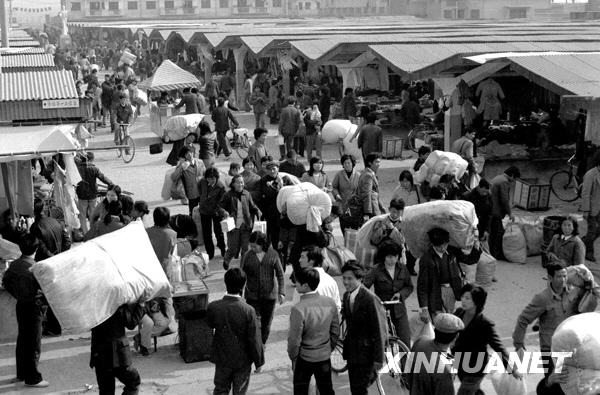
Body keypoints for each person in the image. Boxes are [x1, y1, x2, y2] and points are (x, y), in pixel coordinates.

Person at [513, 263, 578, 381]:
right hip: (550, 350)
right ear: (550, 278)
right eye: (559, 277)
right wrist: (519, 345)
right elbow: (523, 319)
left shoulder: (573, 292)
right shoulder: (542, 298)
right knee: (553, 385)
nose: (563, 280)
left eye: (565, 276)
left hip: (570, 347)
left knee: (571, 383)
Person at [453, 284, 520, 394]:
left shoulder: (485, 323)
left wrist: (512, 369)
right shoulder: (459, 313)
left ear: (477, 301)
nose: (463, 301)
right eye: (463, 297)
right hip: (460, 362)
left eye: (467, 298)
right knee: (471, 390)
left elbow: (498, 347)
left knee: (465, 391)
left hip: (476, 366)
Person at [207, 268, 264, 394]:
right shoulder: (248, 310)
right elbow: (254, 338)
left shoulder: (213, 307)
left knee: (220, 389)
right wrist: (259, 361)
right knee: (240, 391)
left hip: (222, 358)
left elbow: (210, 325)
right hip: (242, 360)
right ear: (244, 286)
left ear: (225, 283)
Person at [2, 234, 49, 388]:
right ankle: (33, 377)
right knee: (34, 342)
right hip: (34, 307)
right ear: (36, 249)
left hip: (21, 305)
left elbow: (6, 281)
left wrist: (18, 294)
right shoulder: (35, 268)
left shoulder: (15, 265)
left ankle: (21, 373)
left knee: (23, 339)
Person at [288, 268, 339, 395]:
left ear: (305, 285)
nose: (295, 285)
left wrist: (293, 357)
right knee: (326, 389)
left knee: (301, 390)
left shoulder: (298, 309)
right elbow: (335, 331)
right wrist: (328, 348)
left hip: (304, 357)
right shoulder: (329, 303)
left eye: (297, 283)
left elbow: (294, 340)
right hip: (324, 355)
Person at [340, 261, 387, 395]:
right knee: (355, 389)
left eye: (350, 279)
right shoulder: (347, 295)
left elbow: (379, 330)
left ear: (360, 279)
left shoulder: (370, 299)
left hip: (367, 355)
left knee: (360, 389)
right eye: (344, 278)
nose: (346, 282)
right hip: (352, 353)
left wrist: (379, 358)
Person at [363, 242, 413, 347]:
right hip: (382, 309)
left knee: (405, 339)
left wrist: (400, 294)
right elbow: (364, 287)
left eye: (395, 256)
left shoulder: (403, 268)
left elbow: (409, 286)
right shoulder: (376, 270)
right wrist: (371, 299)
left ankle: (404, 362)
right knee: (382, 341)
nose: (393, 259)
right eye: (389, 257)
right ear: (384, 256)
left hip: (399, 309)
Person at [240, 231, 285, 345]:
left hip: (270, 296)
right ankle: (256, 344)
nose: (252, 248)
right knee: (254, 322)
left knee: (266, 324)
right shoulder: (247, 256)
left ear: (262, 244)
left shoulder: (273, 254)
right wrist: (239, 292)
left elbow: (280, 274)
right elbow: (242, 275)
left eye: (255, 246)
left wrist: (282, 292)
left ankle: (262, 344)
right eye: (251, 246)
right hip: (252, 295)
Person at [90, 302, 144, 395]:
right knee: (133, 382)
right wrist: (141, 305)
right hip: (119, 355)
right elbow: (131, 324)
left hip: (99, 354)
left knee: (106, 391)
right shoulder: (116, 302)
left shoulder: (93, 304)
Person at [408, 313, 465, 395]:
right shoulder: (445, 372)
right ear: (456, 337)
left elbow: (409, 371)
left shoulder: (420, 341)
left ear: (435, 330)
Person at [417, 228, 465, 322]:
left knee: (452, 321)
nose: (442, 248)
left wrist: (475, 242)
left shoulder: (452, 252)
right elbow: (422, 286)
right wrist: (424, 309)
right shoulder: (426, 259)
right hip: (436, 293)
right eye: (439, 246)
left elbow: (470, 259)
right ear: (433, 245)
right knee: (440, 322)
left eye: (445, 245)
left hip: (451, 291)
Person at [219, 175, 262, 270]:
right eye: (238, 182)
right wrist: (224, 212)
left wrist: (257, 210)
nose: (240, 184)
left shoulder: (247, 194)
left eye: (242, 182)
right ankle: (227, 260)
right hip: (233, 226)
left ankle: (243, 268)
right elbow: (219, 207)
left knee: (246, 249)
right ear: (233, 184)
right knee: (233, 248)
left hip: (246, 225)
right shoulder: (228, 195)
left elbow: (252, 205)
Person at [75, 152, 113, 234]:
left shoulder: (77, 169)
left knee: (82, 215)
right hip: (93, 195)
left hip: (82, 195)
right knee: (93, 214)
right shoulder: (94, 169)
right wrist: (111, 184)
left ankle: (85, 233)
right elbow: (103, 178)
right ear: (91, 159)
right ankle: (93, 232)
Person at [489, 166, 520, 260]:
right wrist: (510, 213)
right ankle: (496, 255)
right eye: (514, 179)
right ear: (512, 175)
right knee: (498, 234)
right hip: (495, 211)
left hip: (491, 210)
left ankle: (493, 253)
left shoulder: (498, 178)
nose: (513, 181)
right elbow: (504, 199)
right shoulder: (504, 181)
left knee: (494, 233)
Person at [298, 245, 341, 311]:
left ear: (312, 260)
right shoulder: (331, 280)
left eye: (302, 257)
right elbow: (338, 306)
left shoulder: (309, 282)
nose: (299, 260)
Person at [198, 167, 227, 260]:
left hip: (216, 212)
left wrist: (217, 209)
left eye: (213, 178)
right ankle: (210, 253)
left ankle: (223, 249)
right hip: (204, 211)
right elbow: (200, 192)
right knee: (207, 233)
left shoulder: (221, 186)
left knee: (218, 232)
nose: (210, 180)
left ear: (216, 178)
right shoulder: (202, 182)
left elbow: (222, 201)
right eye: (209, 178)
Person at [171, 146, 206, 215]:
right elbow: (174, 177)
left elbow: (205, 174)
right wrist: (181, 166)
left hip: (202, 191)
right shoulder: (183, 165)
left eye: (190, 152)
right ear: (184, 156)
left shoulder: (200, 162)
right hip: (191, 193)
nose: (189, 155)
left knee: (204, 212)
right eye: (187, 154)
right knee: (193, 213)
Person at [332, 154, 361, 235]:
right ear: (342, 165)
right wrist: (336, 195)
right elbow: (334, 187)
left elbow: (361, 190)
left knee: (354, 232)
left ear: (353, 164)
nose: (347, 165)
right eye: (345, 163)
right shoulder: (339, 175)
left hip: (355, 208)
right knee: (345, 230)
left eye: (349, 163)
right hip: (342, 205)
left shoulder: (358, 175)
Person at [259, 162, 284, 249]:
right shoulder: (263, 180)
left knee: (283, 232)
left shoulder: (284, 178)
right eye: (270, 169)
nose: (272, 171)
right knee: (273, 233)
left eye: (274, 168)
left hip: (283, 211)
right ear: (266, 171)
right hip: (270, 211)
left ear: (278, 169)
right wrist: (275, 184)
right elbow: (266, 195)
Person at [146, 207, 178, 273]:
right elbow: (172, 252)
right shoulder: (172, 234)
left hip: (149, 268)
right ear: (168, 219)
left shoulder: (147, 232)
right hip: (165, 269)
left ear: (154, 218)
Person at [581, 152, 600, 262]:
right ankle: (588, 252)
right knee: (592, 231)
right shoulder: (590, 174)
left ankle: (584, 242)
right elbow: (586, 193)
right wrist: (586, 210)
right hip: (593, 208)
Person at [357, 153, 385, 223]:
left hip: (374, 207)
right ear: (370, 163)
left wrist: (381, 207)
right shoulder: (368, 175)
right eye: (376, 162)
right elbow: (367, 194)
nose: (378, 164)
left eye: (379, 162)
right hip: (372, 209)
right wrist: (367, 212)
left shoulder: (367, 173)